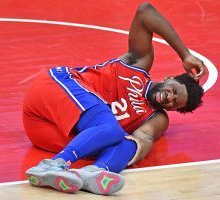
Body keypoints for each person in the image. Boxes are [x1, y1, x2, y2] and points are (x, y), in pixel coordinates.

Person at [23, 2, 205, 196]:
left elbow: (143, 138)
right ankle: (54, 165)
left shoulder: (156, 118)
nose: (170, 99)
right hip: (53, 89)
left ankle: (92, 173)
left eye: (174, 104)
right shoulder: (138, 64)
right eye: (173, 91)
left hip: (42, 129)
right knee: (111, 127)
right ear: (170, 78)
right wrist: (185, 54)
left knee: (126, 142)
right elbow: (145, 11)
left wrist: (131, 151)